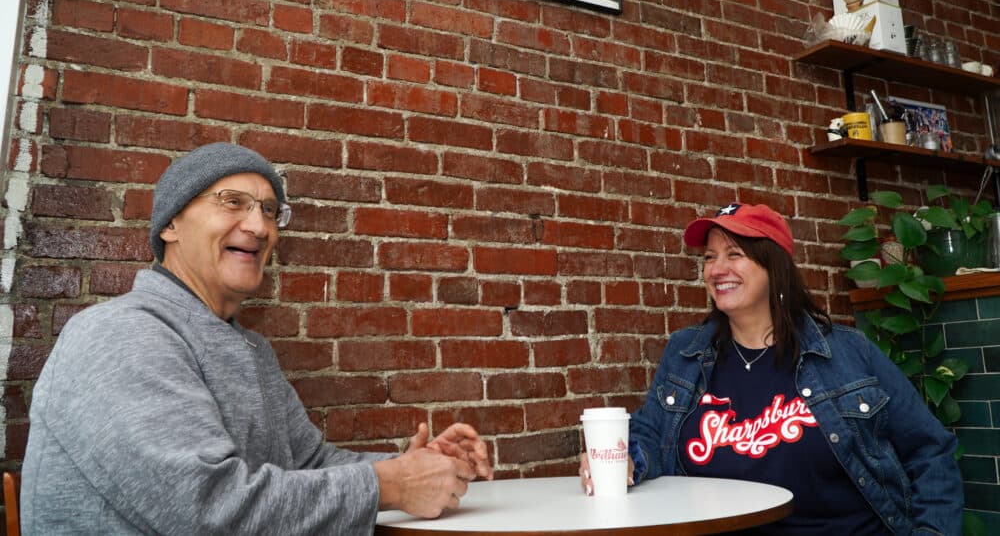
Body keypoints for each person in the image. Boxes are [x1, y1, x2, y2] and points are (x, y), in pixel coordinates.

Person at [21, 142, 493, 534]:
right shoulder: (122, 334)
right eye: (232, 202)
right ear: (169, 225)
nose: (258, 225)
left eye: (269, 210)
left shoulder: (249, 348)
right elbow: (203, 510)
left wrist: (418, 464)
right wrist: (388, 486)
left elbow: (309, 463)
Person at [578, 203, 963, 534]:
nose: (717, 269)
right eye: (710, 257)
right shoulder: (686, 352)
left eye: (734, 254)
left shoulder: (845, 351)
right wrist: (628, 457)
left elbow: (930, 449)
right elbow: (653, 432)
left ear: (773, 264)